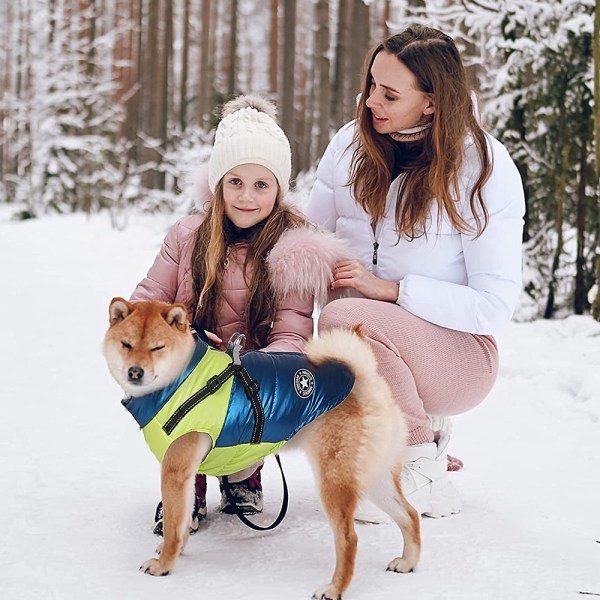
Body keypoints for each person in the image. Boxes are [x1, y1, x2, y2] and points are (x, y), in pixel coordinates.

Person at [304, 25, 525, 519]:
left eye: (389, 94)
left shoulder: (483, 169)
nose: (370, 102)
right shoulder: (348, 147)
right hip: (371, 346)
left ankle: (418, 464)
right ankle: (392, 442)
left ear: (430, 102)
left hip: (461, 357)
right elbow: (309, 254)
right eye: (370, 86)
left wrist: (393, 291)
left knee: (345, 316)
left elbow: (493, 307)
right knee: (340, 314)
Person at [130, 94, 347, 535]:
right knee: (182, 398)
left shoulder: (296, 249)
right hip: (189, 370)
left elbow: (292, 332)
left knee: (246, 408)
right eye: (235, 183)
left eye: (261, 185)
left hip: (253, 377)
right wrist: (157, 331)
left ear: (279, 188)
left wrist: (255, 368)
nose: (247, 197)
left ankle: (244, 470)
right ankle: (185, 482)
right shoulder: (188, 235)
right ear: (217, 184)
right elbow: (151, 296)